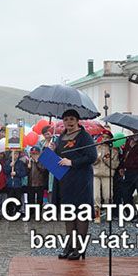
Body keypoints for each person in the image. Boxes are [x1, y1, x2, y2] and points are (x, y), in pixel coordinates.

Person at [53, 109, 98, 260]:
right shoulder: (60, 137)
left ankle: (80, 248)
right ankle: (69, 245)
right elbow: (58, 157)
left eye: (72, 119)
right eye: (66, 119)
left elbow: (92, 156)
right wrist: (51, 152)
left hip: (80, 180)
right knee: (69, 213)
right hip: (65, 180)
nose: (69, 122)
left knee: (81, 213)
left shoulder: (84, 137)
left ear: (77, 120)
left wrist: (72, 162)